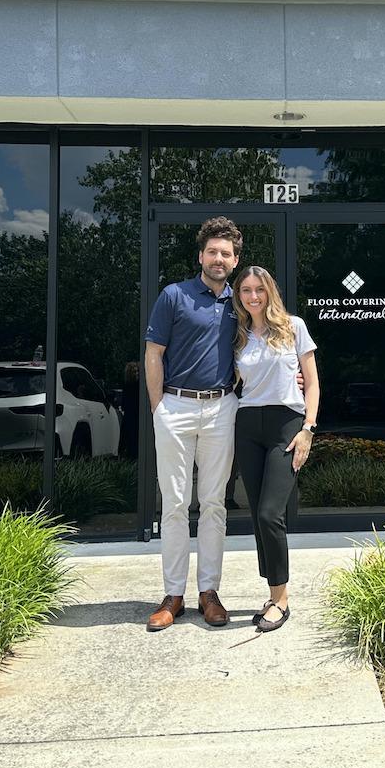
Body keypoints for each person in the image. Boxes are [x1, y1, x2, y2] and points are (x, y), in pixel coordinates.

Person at [143, 217, 242, 632]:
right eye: (212, 252)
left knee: (215, 503)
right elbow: (153, 353)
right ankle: (173, 595)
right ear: (200, 256)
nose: (219, 259)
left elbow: (268, 346)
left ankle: (209, 592)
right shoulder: (174, 295)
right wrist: (158, 408)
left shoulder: (243, 301)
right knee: (175, 504)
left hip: (222, 408)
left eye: (226, 253)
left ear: (235, 261)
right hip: (176, 406)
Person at [231, 265, 320, 633]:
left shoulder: (293, 327)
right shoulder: (237, 335)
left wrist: (308, 429)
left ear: (270, 292)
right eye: (246, 290)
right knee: (257, 514)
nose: (253, 296)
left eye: (259, 289)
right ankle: (272, 593)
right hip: (248, 424)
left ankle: (281, 600)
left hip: (286, 423)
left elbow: (312, 383)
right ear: (239, 296)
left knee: (271, 513)